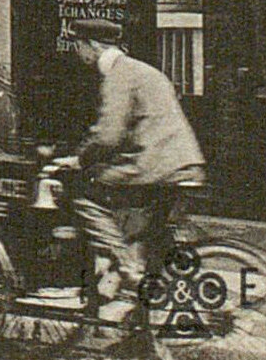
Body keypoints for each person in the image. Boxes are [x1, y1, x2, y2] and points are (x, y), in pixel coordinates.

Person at [53, 18, 208, 311]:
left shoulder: (118, 76)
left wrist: (79, 159)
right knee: (150, 235)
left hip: (153, 166)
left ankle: (124, 264)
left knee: (80, 190)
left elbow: (109, 136)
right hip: (184, 162)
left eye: (78, 45)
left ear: (92, 47)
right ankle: (141, 325)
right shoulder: (144, 70)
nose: (77, 52)